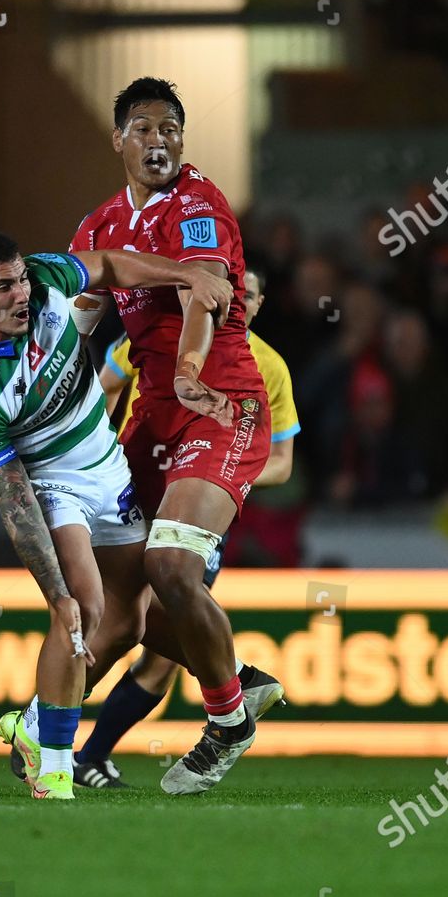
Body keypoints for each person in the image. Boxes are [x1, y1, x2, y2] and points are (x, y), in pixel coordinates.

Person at [0, 233, 236, 799]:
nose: (21, 294)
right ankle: (54, 767)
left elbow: (107, 264)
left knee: (127, 621)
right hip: (53, 489)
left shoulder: (47, 277)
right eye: (2, 287)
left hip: (110, 471)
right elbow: (15, 502)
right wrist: (54, 591)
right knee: (83, 606)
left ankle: (32, 729)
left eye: (21, 280)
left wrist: (187, 275)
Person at [69, 77, 273, 794]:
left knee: (173, 567)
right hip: (148, 421)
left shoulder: (199, 204)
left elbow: (202, 292)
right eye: (145, 129)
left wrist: (189, 372)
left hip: (219, 404)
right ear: (119, 138)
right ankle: (239, 684)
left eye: (171, 129)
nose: (160, 142)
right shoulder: (95, 228)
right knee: (118, 605)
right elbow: (76, 329)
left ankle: (227, 722)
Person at [74, 269, 298, 788]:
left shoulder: (268, 367)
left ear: (258, 305)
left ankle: (75, 743)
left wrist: (211, 474)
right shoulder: (154, 335)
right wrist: (102, 456)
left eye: (247, 296)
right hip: (139, 482)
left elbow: (282, 462)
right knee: (119, 611)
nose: (235, 299)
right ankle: (239, 685)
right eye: (230, 290)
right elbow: (105, 386)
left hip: (199, 498)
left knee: (157, 651)